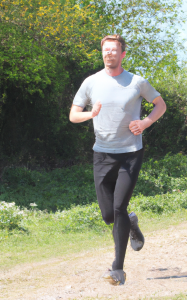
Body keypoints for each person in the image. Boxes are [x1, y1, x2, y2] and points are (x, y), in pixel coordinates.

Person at [69, 34, 166, 286]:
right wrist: (92, 113)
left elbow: (160, 104)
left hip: (131, 153)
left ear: (123, 54)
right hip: (102, 154)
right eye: (105, 50)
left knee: (119, 207)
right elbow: (73, 115)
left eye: (114, 50)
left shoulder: (137, 82)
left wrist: (145, 122)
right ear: (102, 54)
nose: (109, 54)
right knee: (108, 215)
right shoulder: (91, 82)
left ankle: (117, 269)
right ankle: (131, 223)